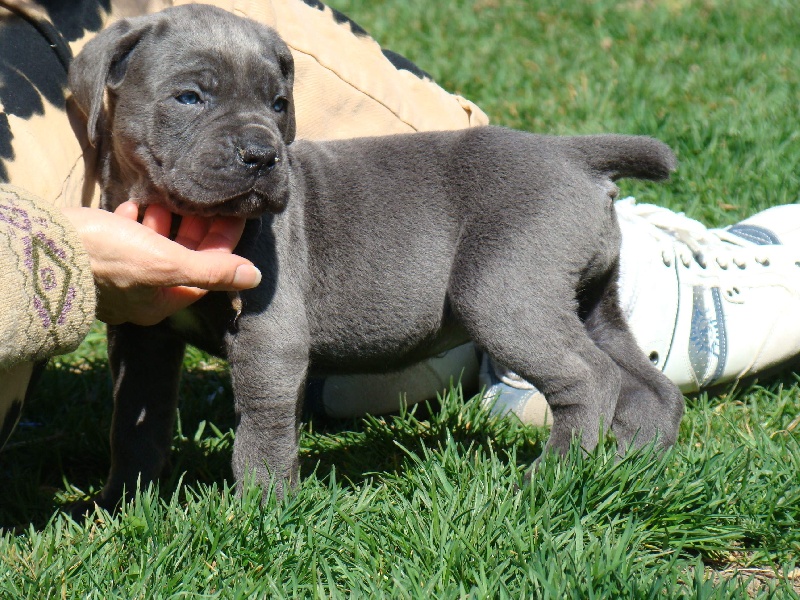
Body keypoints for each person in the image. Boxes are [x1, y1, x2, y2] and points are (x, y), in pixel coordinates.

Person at [0, 0, 798, 455]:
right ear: (105, 83)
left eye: (274, 110)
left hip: (511, 205)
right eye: (191, 99)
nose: (257, 142)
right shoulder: (112, 73)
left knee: (523, 306)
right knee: (570, 320)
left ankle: (575, 403)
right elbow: (144, 349)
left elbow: (265, 352)